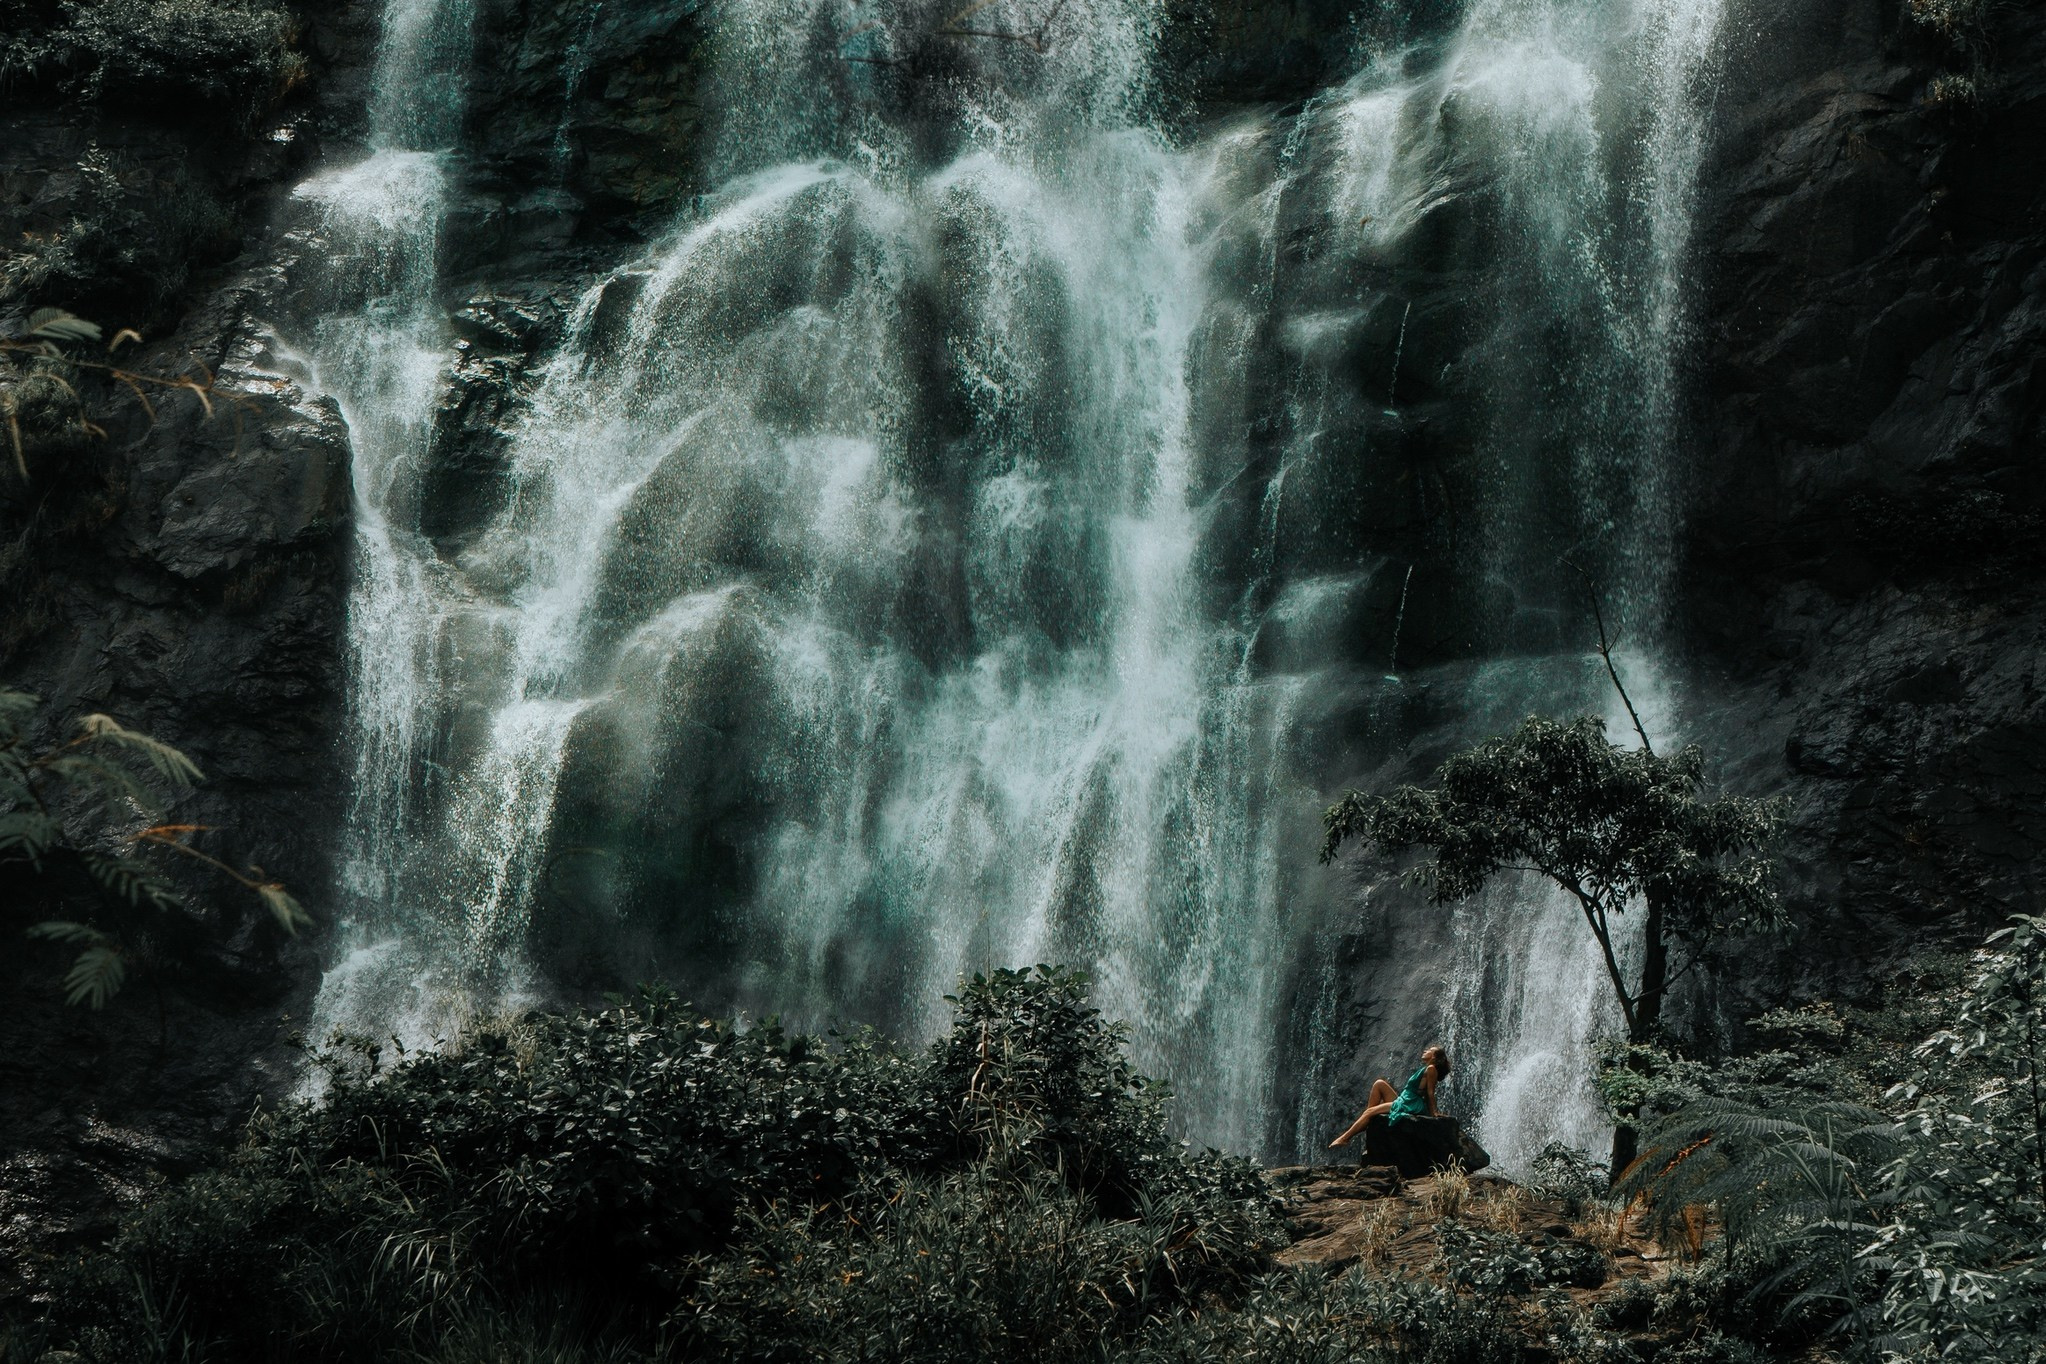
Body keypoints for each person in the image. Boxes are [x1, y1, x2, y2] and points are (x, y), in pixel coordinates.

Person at [1328, 1045, 1451, 1148]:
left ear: (1434, 1057)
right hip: (1405, 1099)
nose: (1425, 1050)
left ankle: (1345, 1138)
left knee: (1370, 1112)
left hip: (1410, 1103)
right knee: (1379, 1084)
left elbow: (1430, 1092)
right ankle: (1368, 1119)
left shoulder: (1431, 1069)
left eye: (1429, 1050)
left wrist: (1434, 1113)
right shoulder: (1426, 1068)